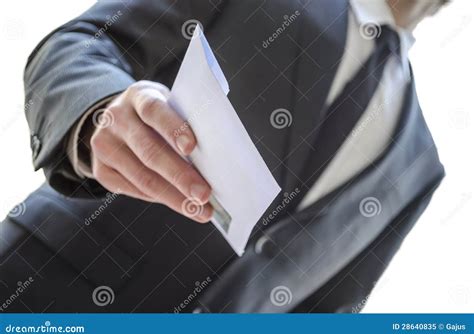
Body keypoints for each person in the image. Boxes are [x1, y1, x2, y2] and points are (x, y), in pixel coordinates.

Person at [0, 0, 447, 312]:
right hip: (46, 289)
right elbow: (82, 44)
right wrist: (97, 113)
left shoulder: (421, 164)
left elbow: (327, 307)